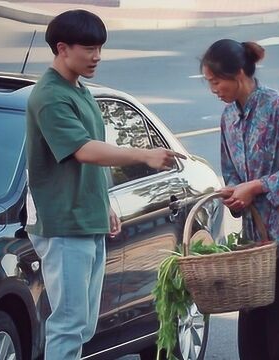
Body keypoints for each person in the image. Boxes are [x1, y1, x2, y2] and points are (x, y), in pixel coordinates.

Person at [25, 9, 184, 359]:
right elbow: (83, 151)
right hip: (64, 224)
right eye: (89, 48)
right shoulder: (50, 96)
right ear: (62, 48)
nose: (97, 56)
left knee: (83, 325)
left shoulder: (78, 89)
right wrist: (142, 156)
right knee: (68, 324)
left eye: (100, 47)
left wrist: (105, 203)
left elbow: (91, 154)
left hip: (87, 218)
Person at [200, 39, 279, 360]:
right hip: (253, 251)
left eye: (217, 81)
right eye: (209, 82)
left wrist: (256, 187)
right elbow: (232, 174)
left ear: (239, 74)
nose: (214, 89)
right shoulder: (228, 119)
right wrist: (235, 195)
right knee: (254, 346)